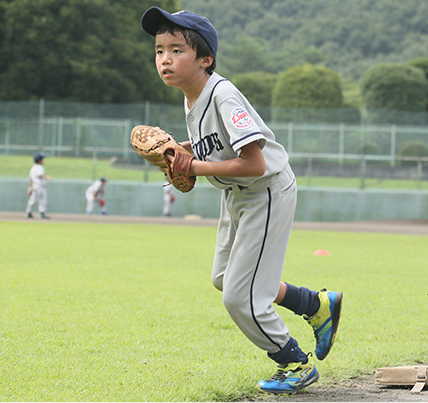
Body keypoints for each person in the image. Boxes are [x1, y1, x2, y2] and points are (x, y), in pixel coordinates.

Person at [140, 7, 343, 394]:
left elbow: (255, 162)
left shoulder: (223, 95)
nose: (165, 59)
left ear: (205, 59)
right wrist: (180, 151)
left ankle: (294, 362)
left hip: (266, 192)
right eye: (159, 50)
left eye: (177, 50)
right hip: (238, 196)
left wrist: (194, 166)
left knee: (240, 296)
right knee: (224, 278)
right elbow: (217, 149)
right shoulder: (193, 97)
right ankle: (315, 305)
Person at [26, 153, 52, 219]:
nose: (43, 161)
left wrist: (30, 186)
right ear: (39, 160)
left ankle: (28, 212)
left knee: (33, 200)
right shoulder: (40, 167)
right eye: (42, 159)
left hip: (34, 186)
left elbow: (31, 178)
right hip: (39, 186)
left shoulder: (33, 167)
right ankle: (42, 213)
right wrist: (47, 177)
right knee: (42, 199)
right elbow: (39, 174)